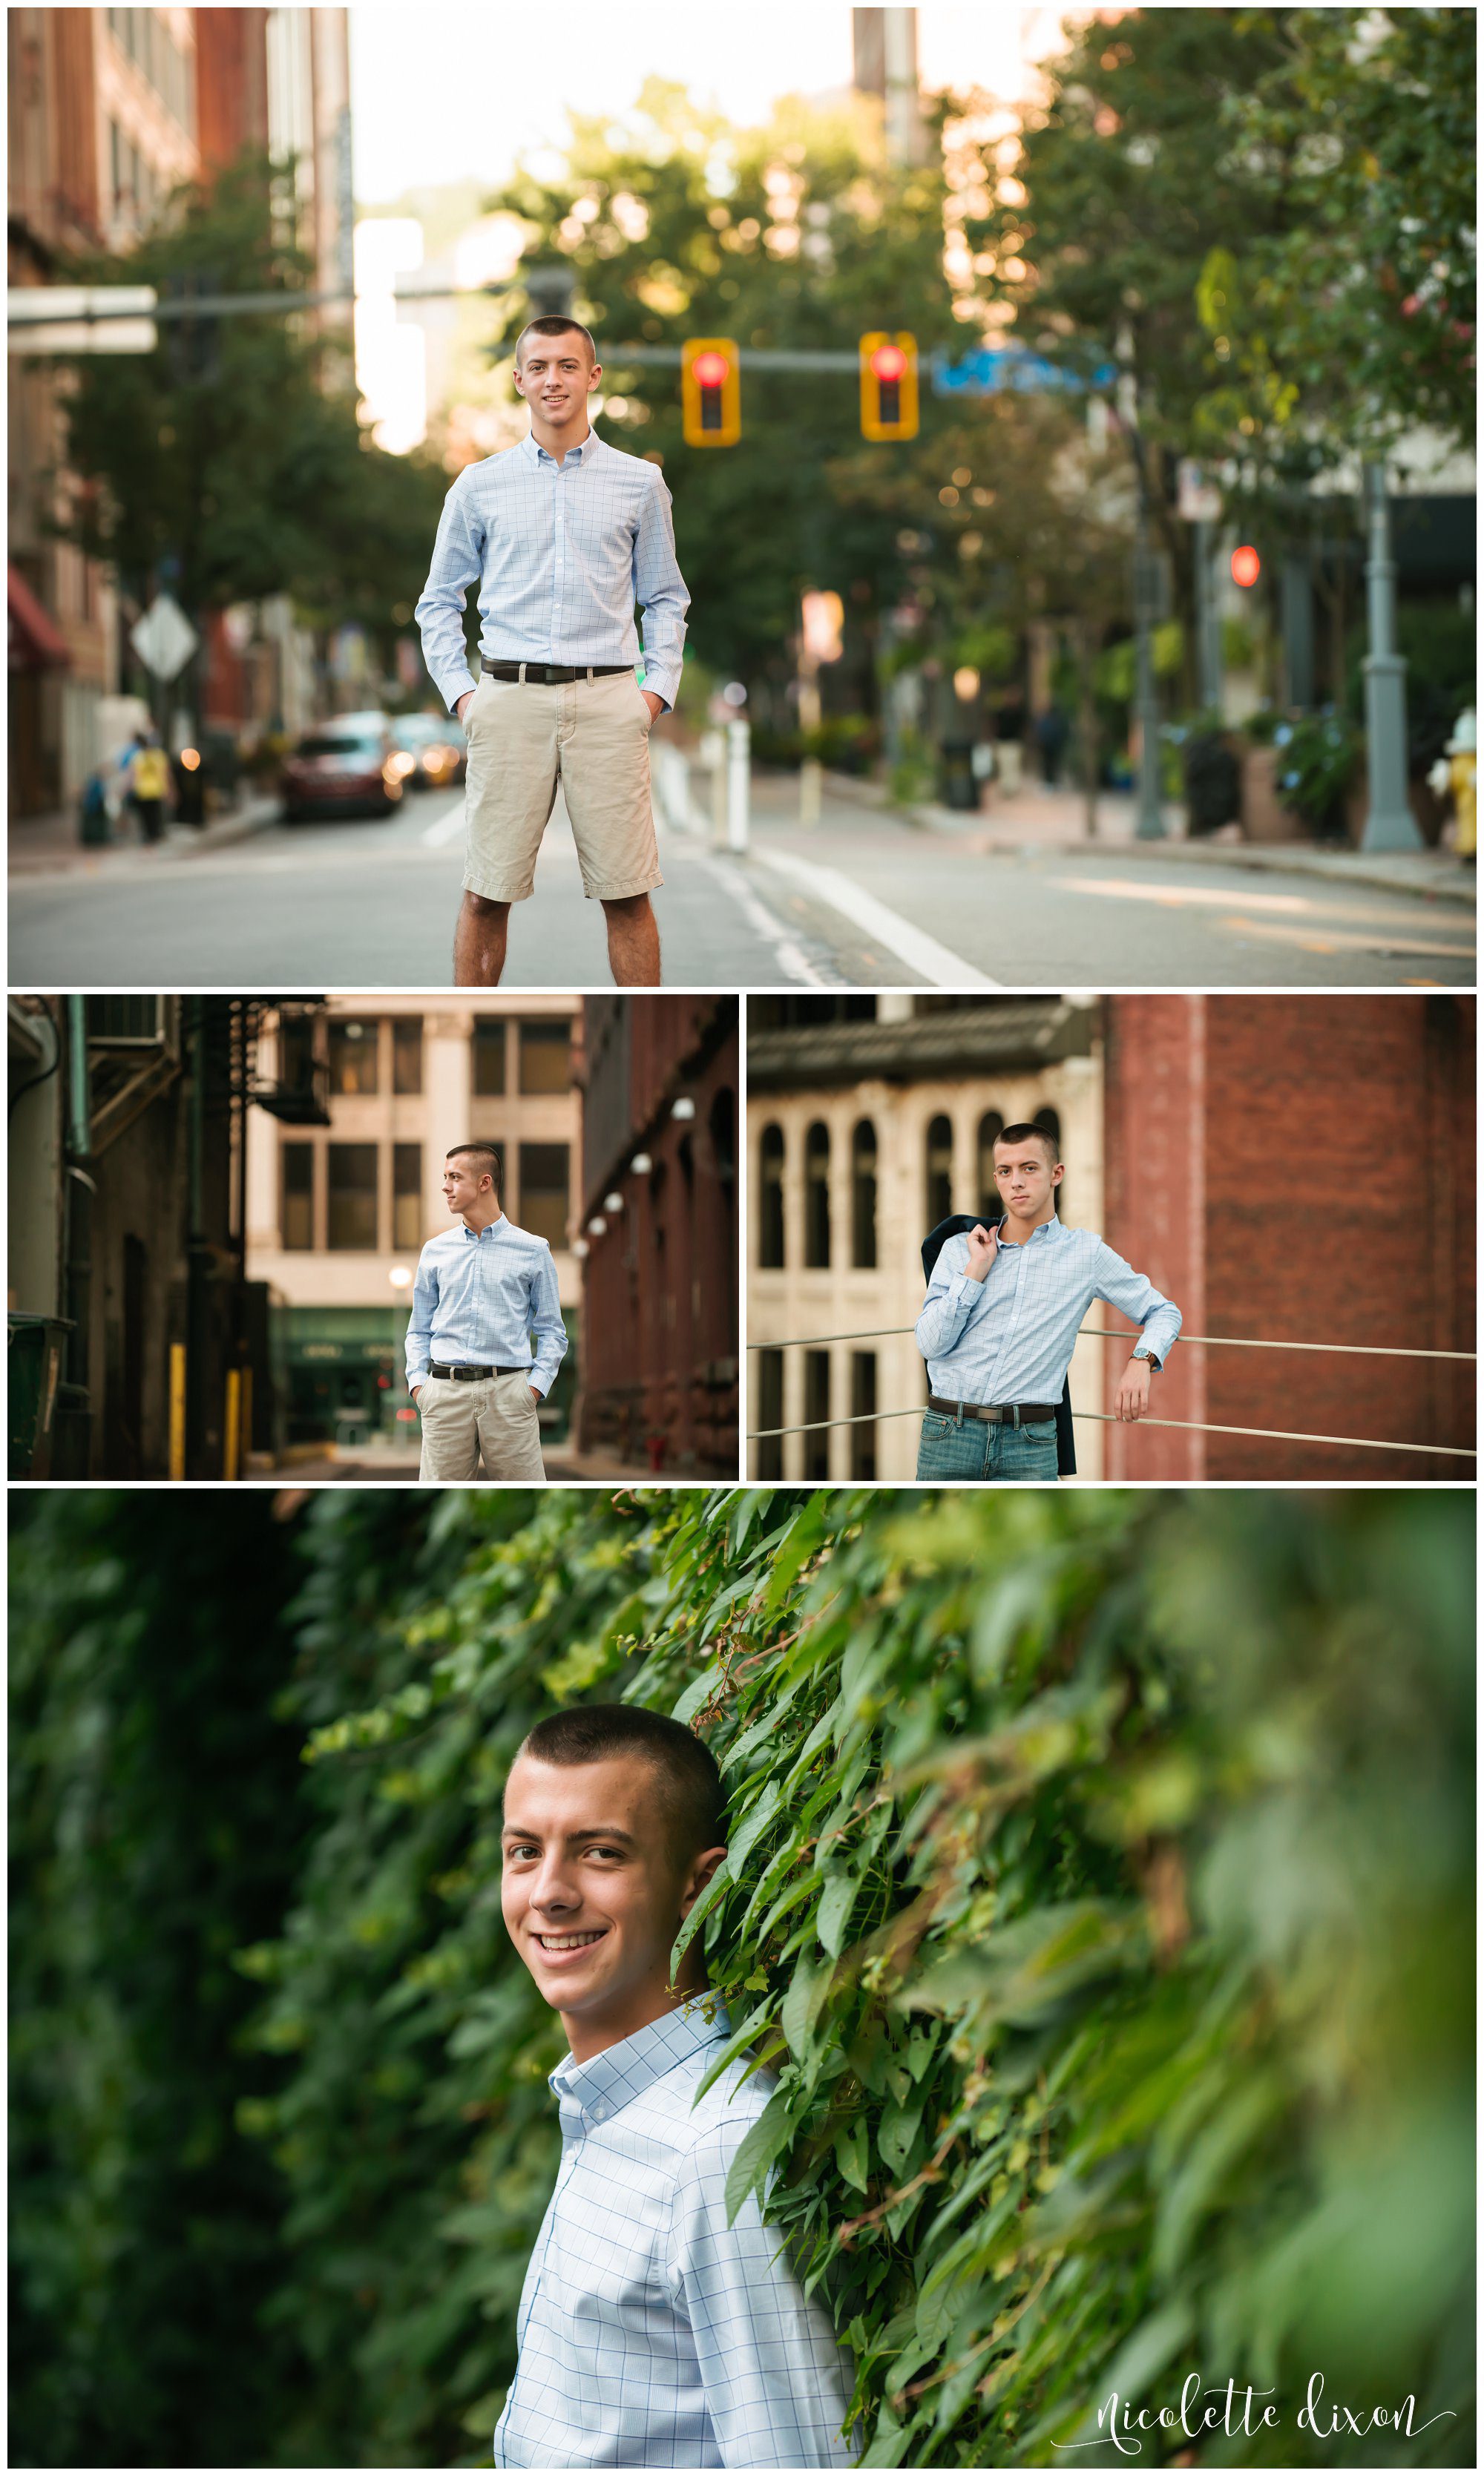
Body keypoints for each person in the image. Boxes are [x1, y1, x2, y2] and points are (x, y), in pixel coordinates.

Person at [494, 1704, 858, 2469]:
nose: (548, 1893)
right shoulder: (607, 2107)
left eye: (599, 1853)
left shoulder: (715, 2149)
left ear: (696, 1885)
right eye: (524, 1851)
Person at [416, 315, 689, 990]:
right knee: (486, 892)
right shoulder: (478, 486)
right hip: (507, 701)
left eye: (568, 365)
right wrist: (465, 696)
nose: (553, 379)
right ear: (519, 381)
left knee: (627, 894)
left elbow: (666, 597)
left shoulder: (640, 483)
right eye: (538, 367)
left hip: (608, 699)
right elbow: (438, 602)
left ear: (593, 377)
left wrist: (653, 694)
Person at [915, 1122, 1181, 1482]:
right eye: (1006, 1171)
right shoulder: (959, 1250)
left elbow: (1163, 1311)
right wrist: (975, 1272)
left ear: (1056, 1174)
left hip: (1029, 1443)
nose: (1016, 1182)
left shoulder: (1085, 1254)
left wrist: (1141, 1360)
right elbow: (930, 1344)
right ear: (995, 1178)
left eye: (1029, 1168)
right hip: (948, 1433)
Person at [405, 1143, 568, 1481]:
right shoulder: (435, 1251)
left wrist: (534, 1388)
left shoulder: (533, 1250)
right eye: (445, 1177)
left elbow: (553, 1331)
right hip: (444, 1394)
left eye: (455, 1177)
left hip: (509, 1393)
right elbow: (419, 1329)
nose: (445, 1186)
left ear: (484, 1183)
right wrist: (420, 1387)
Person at [128, 728, 171, 843]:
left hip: (142, 790)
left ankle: (148, 837)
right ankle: (155, 835)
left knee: (145, 816)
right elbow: (165, 774)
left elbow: (134, 775)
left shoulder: (138, 757)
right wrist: (168, 790)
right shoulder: (158, 756)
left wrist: (129, 788)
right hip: (156, 790)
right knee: (155, 815)